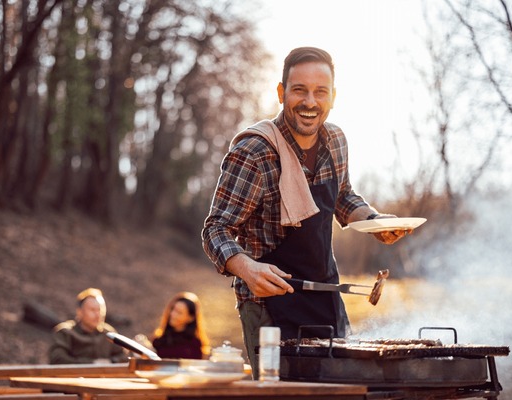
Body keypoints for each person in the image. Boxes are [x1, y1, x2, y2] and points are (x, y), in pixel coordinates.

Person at [202, 46, 413, 377]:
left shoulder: (337, 140)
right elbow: (216, 229)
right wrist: (246, 269)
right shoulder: (254, 152)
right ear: (281, 92)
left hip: (327, 294)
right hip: (268, 304)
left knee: (340, 390)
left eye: (320, 92)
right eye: (299, 90)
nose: (310, 102)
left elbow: (341, 197)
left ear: (333, 96)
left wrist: (374, 221)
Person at [48, 288, 128, 364]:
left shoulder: (108, 333)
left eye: (100, 310)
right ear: (79, 312)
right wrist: (92, 364)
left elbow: (123, 356)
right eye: (92, 310)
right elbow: (57, 360)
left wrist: (111, 362)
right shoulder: (65, 332)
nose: (98, 315)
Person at [151, 292, 210, 359]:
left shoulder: (195, 344)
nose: (173, 314)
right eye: (173, 309)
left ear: (190, 318)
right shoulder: (159, 339)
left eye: (179, 312)